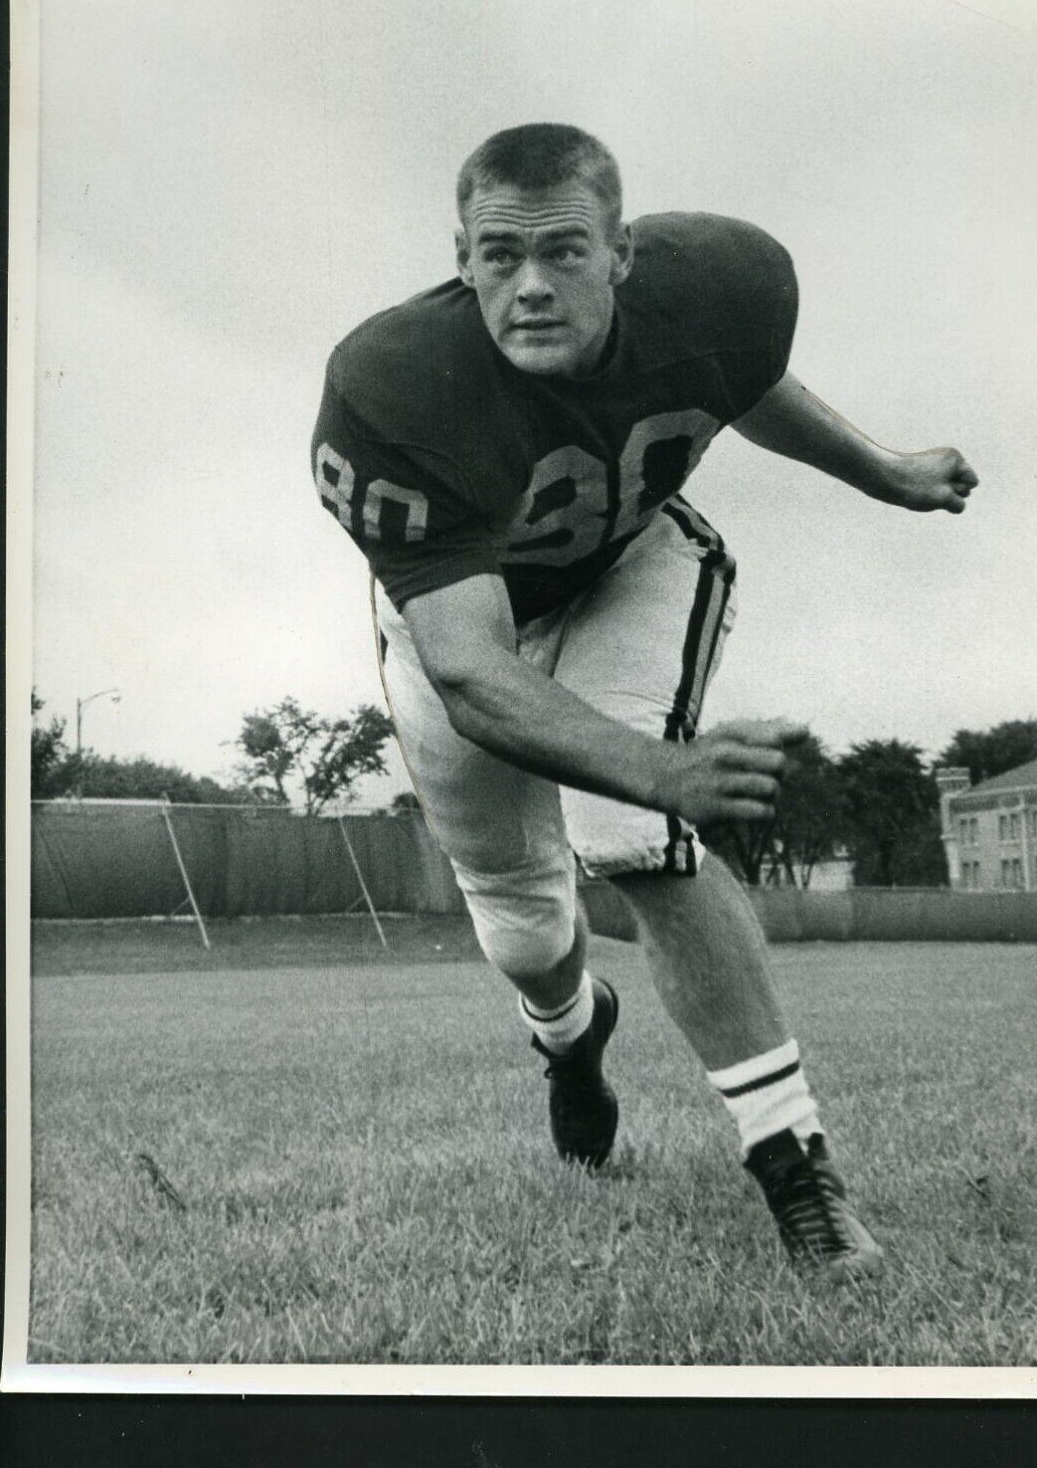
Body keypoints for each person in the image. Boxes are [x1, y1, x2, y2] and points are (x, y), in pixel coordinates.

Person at [312, 124, 977, 1276]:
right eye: (498, 255)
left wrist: (888, 473)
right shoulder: (389, 384)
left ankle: (796, 1169)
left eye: (564, 252)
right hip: (457, 635)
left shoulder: (729, 279)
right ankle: (572, 1042)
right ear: (459, 258)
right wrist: (658, 761)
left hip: (629, 564)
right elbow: (473, 672)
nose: (530, 285)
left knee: (635, 842)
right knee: (520, 923)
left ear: (622, 253)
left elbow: (745, 380)